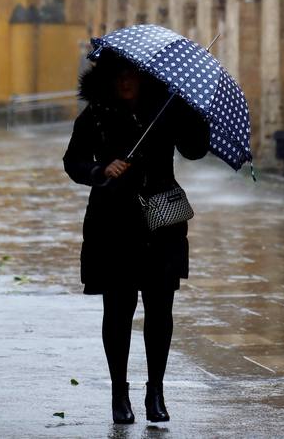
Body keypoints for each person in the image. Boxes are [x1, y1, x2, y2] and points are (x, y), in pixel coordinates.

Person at [63, 50, 209, 425]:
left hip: (161, 220)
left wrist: (193, 116)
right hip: (113, 223)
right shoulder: (96, 113)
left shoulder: (167, 109)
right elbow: (73, 161)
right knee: (118, 309)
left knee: (160, 309)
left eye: (133, 75)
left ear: (144, 77)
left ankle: (155, 391)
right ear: (109, 79)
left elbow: (194, 150)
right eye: (120, 76)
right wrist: (100, 168)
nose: (127, 82)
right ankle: (119, 393)